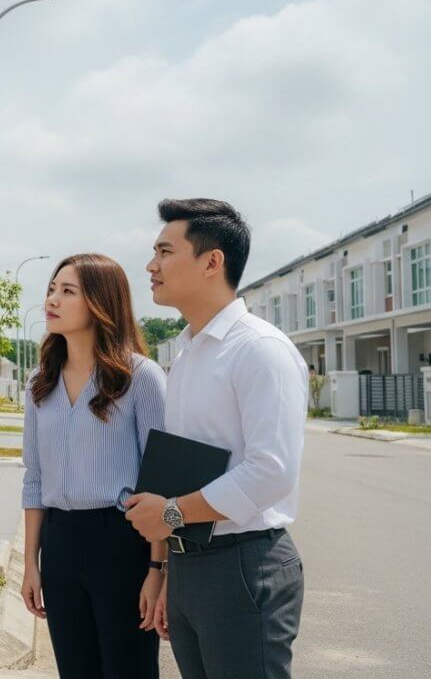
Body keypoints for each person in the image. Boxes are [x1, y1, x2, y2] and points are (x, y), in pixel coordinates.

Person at [125, 198, 306, 678]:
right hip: (190, 564)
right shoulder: (187, 352)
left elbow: (272, 472)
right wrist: (164, 571)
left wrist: (169, 514)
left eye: (165, 251)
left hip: (243, 565)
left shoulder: (260, 350)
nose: (151, 265)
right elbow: (180, 466)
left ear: (211, 261)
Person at [20, 253, 166, 678]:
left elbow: (159, 482)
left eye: (68, 291)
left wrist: (157, 570)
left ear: (101, 302)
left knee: (128, 670)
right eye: (52, 288)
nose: (52, 299)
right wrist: (32, 562)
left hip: (122, 543)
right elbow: (35, 478)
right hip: (60, 542)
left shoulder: (141, 377)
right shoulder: (38, 385)